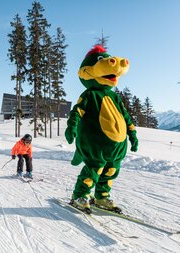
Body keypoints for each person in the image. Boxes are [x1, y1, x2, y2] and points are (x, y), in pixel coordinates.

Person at [65, 45, 138, 214]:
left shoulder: (115, 96)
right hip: (95, 145)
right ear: (86, 71)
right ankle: (80, 196)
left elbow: (125, 117)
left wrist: (133, 134)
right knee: (93, 169)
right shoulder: (90, 95)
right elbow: (77, 111)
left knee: (111, 171)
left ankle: (101, 196)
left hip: (117, 147)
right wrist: (72, 127)